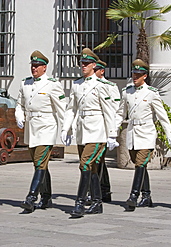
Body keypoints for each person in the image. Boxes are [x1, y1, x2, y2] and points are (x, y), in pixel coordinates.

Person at [61, 48, 118, 218]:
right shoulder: (77, 84)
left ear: (94, 65)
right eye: (82, 63)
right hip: (82, 131)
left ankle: (79, 203)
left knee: (85, 164)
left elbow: (108, 111)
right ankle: (97, 203)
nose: (83, 66)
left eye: (86, 64)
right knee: (91, 168)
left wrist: (112, 134)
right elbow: (71, 108)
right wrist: (66, 128)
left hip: (97, 131)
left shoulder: (102, 86)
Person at [116, 59, 171, 211]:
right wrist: (111, 133)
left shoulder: (152, 93)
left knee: (141, 163)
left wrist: (170, 135)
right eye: (134, 73)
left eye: (138, 74)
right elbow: (120, 113)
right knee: (139, 165)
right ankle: (146, 196)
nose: (135, 77)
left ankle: (133, 196)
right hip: (132, 133)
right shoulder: (127, 92)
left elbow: (162, 116)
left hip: (147, 132)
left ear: (145, 76)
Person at [15, 50, 66, 213]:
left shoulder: (52, 84)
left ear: (45, 68)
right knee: (40, 164)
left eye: (37, 66)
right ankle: (46, 197)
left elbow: (62, 108)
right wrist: (19, 115)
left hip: (46, 127)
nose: (34, 69)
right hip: (31, 127)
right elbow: (20, 103)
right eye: (33, 65)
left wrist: (66, 129)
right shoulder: (25, 83)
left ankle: (31, 197)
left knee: (40, 163)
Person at [91, 59, 121, 203]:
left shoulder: (110, 86)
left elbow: (115, 110)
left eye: (96, 70)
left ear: (101, 71)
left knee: (97, 160)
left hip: (103, 128)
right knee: (98, 161)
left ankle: (97, 191)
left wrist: (112, 132)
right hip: (92, 129)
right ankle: (104, 190)